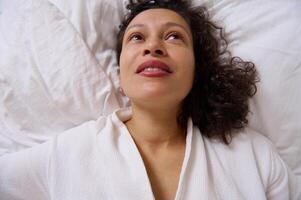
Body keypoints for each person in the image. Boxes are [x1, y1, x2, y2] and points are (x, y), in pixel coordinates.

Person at [0, 0, 299, 199]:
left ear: (197, 67)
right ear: (120, 71)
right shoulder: (66, 155)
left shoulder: (256, 158)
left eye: (173, 37)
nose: (153, 46)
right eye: (137, 38)